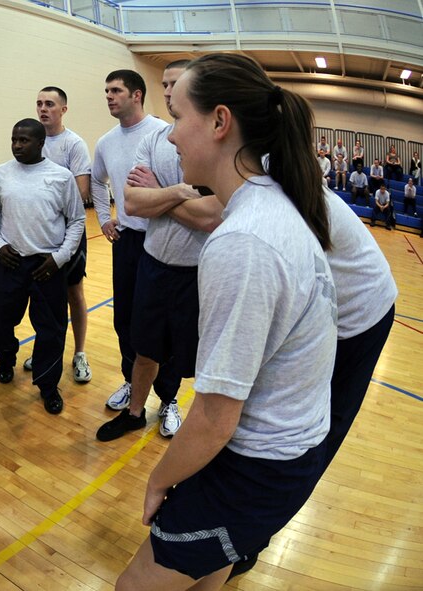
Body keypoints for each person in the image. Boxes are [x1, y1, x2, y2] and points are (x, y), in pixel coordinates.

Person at [115, 53, 336, 590]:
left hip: (257, 467)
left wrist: (160, 477)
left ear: (219, 122)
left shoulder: (242, 242)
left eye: (179, 117)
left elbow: (215, 416)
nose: (169, 137)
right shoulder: (267, 205)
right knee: (206, 576)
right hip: (282, 454)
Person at [228, 184, 398, 581]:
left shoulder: (276, 183)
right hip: (333, 308)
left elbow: (208, 214)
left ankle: (254, 540)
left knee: (317, 436)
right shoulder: (266, 175)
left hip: (362, 316)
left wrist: (163, 198)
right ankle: (251, 532)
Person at [96, 61, 221, 442]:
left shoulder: (217, 146)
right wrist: (182, 191)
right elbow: (132, 202)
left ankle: (168, 401)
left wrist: (159, 192)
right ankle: (136, 410)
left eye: (175, 84)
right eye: (164, 84)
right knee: (143, 341)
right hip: (152, 262)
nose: (168, 91)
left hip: (194, 269)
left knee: (181, 350)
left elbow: (209, 218)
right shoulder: (153, 141)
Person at [90, 69, 176, 414]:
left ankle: (168, 399)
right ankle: (131, 381)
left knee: (162, 323)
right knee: (123, 318)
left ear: (137, 95)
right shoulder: (107, 141)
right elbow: (97, 182)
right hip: (125, 242)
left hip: (161, 241)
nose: (109, 96)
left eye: (116, 90)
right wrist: (103, 218)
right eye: (106, 90)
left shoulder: (162, 134)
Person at [0, 118, 85, 415]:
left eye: (24, 140)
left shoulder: (61, 177)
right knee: (0, 322)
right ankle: (6, 357)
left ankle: (48, 384)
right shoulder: (2, 174)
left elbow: (77, 220)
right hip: (9, 260)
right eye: (14, 139)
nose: (17, 145)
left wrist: (60, 257)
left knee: (51, 330)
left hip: (48, 265)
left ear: (41, 143)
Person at [23, 86, 93, 384]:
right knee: (41, 296)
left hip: (68, 236)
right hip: (35, 237)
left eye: (49, 104)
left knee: (73, 293)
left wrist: (45, 204)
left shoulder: (73, 144)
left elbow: (82, 192)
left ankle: (79, 353)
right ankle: (47, 350)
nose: (43, 108)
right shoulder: (30, 141)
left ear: (63, 109)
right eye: (39, 103)